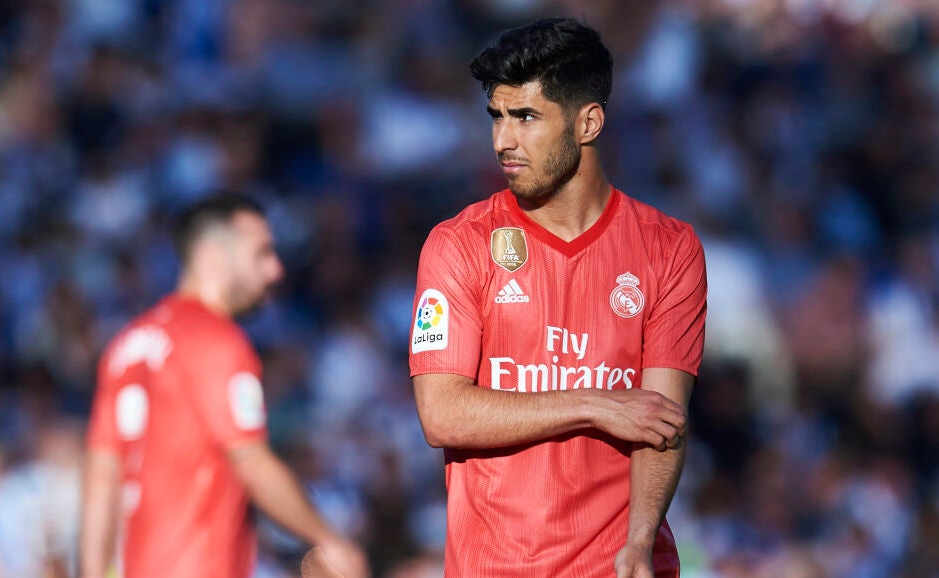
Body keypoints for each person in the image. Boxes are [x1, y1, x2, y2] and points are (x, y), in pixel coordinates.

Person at [409, 18, 707, 578]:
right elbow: (441, 414)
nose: (503, 141)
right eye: (496, 116)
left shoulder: (669, 248)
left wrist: (640, 540)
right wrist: (593, 403)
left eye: (525, 117)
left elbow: (662, 421)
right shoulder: (459, 244)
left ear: (588, 122)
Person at [81, 194, 367, 578]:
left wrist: (92, 571)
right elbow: (250, 460)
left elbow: (102, 476)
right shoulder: (217, 341)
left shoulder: (126, 345)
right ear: (213, 257)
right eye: (261, 254)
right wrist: (328, 538)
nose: (275, 270)